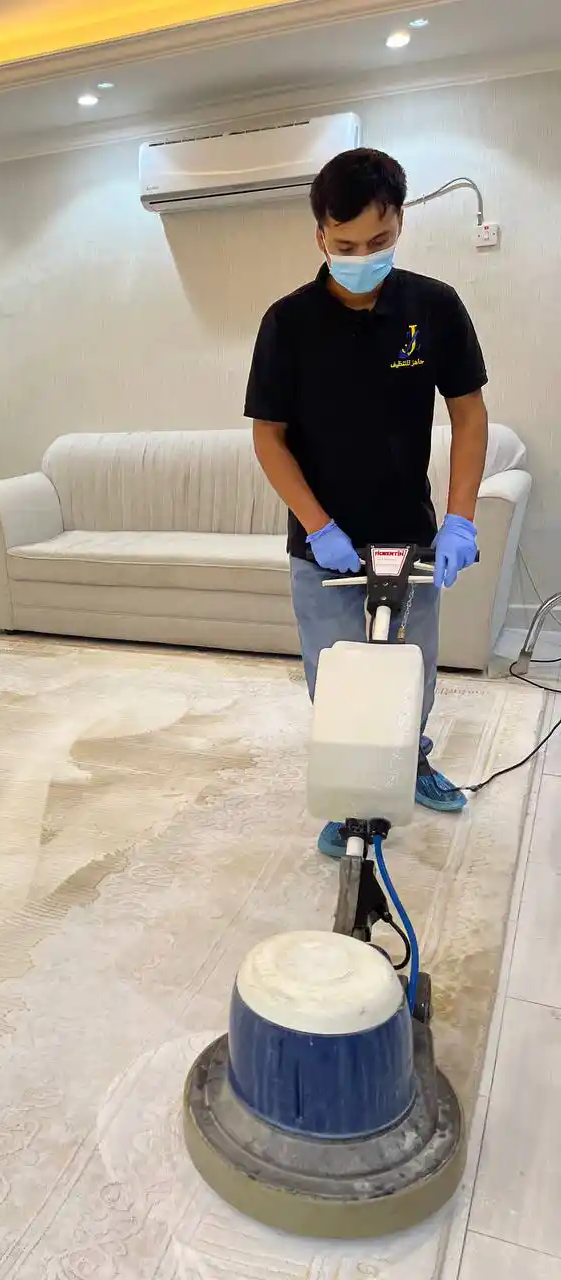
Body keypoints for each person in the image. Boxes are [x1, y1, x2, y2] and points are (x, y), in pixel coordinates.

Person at [244, 147, 489, 858]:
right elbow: (268, 438)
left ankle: (410, 762)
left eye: (378, 241)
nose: (362, 257)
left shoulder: (434, 307)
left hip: (409, 534)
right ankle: (352, 797)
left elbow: (469, 415)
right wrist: (319, 527)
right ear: (320, 235)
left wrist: (460, 519)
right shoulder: (288, 322)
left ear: (400, 223)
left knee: (411, 673)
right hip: (322, 545)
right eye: (345, 245)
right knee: (339, 683)